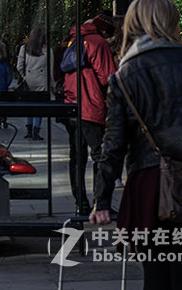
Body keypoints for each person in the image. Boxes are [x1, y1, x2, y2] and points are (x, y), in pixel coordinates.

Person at [89, 0, 182, 290]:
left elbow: (113, 145)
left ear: (132, 24)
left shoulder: (123, 76)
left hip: (149, 187)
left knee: (155, 277)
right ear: (171, 22)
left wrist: (102, 199)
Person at [62, 12, 118, 215]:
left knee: (76, 157)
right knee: (100, 156)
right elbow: (108, 77)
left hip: (71, 105)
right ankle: (99, 202)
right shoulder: (97, 42)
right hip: (91, 107)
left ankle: (80, 203)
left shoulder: (73, 40)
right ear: (103, 30)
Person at [15, 27, 48, 139]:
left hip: (29, 80)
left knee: (29, 105)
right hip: (42, 81)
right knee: (39, 107)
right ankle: (36, 130)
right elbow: (51, 68)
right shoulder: (47, 50)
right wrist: (52, 84)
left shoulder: (24, 49)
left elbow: (19, 66)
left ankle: (29, 130)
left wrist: (25, 76)